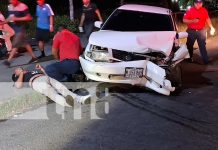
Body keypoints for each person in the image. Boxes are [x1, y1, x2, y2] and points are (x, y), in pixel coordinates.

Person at [12, 64, 90, 107]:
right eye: (18, 69)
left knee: (63, 89)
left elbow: (46, 74)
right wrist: (21, 73)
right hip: (36, 82)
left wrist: (42, 69)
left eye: (21, 68)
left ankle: (79, 98)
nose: (22, 69)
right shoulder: (19, 78)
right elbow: (18, 86)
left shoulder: (30, 72)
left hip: (46, 78)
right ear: (16, 75)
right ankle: (70, 103)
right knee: (53, 95)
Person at [3, 0, 38, 67]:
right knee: (25, 43)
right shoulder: (10, 6)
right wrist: (3, 22)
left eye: (12, 0)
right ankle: (34, 57)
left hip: (21, 27)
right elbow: (10, 17)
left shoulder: (23, 6)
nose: (11, 2)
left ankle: (8, 61)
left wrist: (17, 19)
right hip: (15, 26)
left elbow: (29, 17)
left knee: (16, 43)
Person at [183, 0, 215, 64]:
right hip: (191, 31)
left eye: (200, 3)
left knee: (202, 46)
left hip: (201, 31)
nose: (198, 4)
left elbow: (207, 19)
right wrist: (192, 21)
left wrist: (211, 27)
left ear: (202, 3)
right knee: (189, 45)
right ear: (194, 3)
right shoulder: (190, 10)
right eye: (196, 3)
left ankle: (206, 61)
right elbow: (184, 20)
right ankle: (190, 58)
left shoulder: (204, 10)